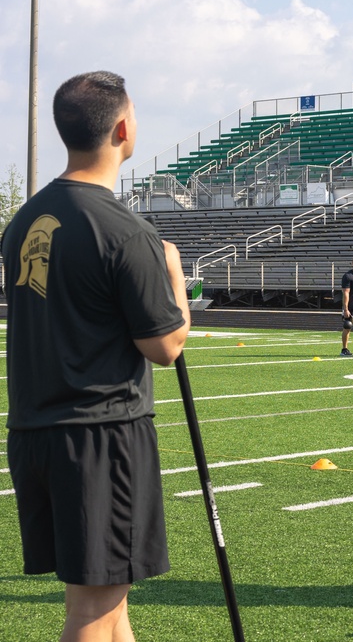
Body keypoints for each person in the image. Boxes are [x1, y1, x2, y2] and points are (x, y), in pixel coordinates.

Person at [2, 71, 191, 641]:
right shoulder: (124, 230)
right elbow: (164, 346)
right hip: (100, 436)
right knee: (92, 614)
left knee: (110, 608)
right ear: (123, 128)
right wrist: (176, 274)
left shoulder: (24, 220)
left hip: (39, 430)